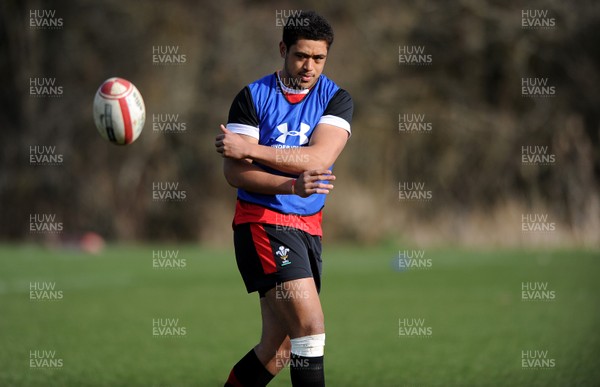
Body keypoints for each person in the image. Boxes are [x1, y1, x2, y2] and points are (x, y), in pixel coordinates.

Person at [215, 10, 353, 386]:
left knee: (279, 349)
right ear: (283, 49)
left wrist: (252, 149)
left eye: (319, 58)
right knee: (311, 327)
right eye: (301, 56)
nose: (309, 66)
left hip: (308, 228)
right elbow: (235, 173)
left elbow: (318, 159)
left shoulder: (335, 99)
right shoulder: (252, 97)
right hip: (262, 223)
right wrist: (290, 185)